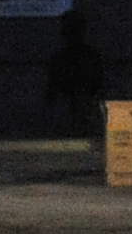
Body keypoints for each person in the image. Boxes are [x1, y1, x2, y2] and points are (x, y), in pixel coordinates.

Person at [42, 8, 108, 138]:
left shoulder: (89, 57)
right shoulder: (89, 57)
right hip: (69, 120)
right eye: (69, 29)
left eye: (73, 29)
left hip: (83, 119)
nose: (70, 33)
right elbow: (51, 95)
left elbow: (51, 96)